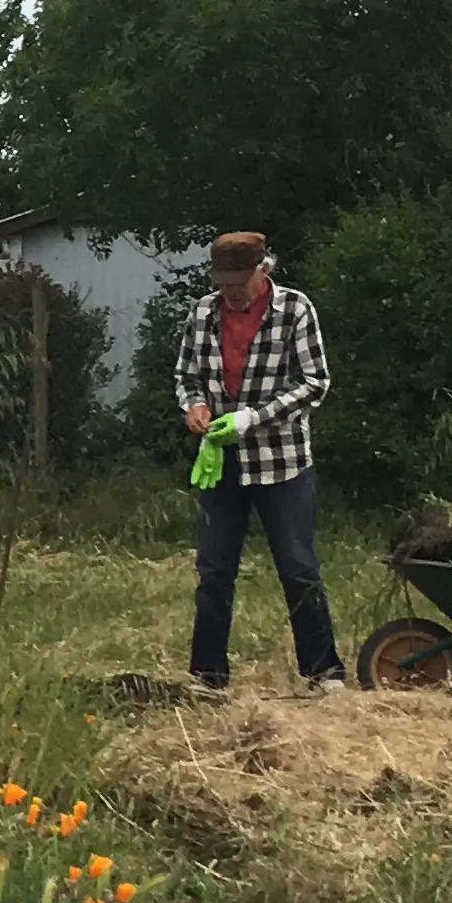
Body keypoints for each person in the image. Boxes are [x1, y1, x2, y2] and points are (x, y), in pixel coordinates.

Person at [173, 230, 346, 697]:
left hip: (282, 464)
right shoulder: (202, 313)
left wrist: (254, 417)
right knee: (213, 572)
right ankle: (208, 677)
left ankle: (324, 673)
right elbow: (186, 375)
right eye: (223, 282)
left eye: (239, 282)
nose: (230, 292)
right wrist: (194, 406)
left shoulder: (295, 310)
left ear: (262, 270)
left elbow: (315, 382)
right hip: (220, 465)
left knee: (297, 568)